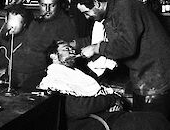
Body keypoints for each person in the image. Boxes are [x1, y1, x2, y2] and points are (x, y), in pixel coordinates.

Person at [70, 0, 170, 120]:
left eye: (87, 12)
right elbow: (107, 39)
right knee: (140, 120)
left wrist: (96, 48)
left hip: (156, 78)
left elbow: (126, 46)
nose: (87, 17)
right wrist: (79, 45)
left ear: (96, 3)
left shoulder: (124, 8)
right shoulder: (113, 10)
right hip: (144, 76)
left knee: (152, 122)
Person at [41, 41, 170, 130]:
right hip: (91, 123)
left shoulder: (74, 73)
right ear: (54, 56)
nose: (71, 50)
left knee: (157, 119)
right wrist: (111, 99)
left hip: (102, 116)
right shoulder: (55, 78)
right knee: (155, 122)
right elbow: (77, 109)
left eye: (70, 48)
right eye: (65, 49)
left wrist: (115, 100)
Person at [0, 4, 34, 89]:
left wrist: (7, 70)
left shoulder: (30, 40)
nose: (13, 26)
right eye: (11, 20)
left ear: (24, 24)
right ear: (6, 19)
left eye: (18, 22)